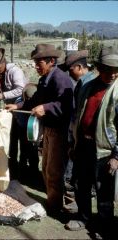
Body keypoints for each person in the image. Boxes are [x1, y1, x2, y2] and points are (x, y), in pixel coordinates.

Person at [6, 43, 73, 216]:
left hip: (59, 131)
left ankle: (56, 207)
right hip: (49, 130)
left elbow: (66, 105)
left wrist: (47, 108)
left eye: (39, 62)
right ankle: (53, 201)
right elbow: (34, 100)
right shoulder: (45, 79)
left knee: (54, 170)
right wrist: (18, 105)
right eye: (35, 62)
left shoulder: (60, 79)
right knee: (46, 168)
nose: (36, 66)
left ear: (51, 61)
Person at [64, 46, 118, 238]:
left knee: (104, 191)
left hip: (105, 150)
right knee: (81, 185)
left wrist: (117, 156)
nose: (112, 74)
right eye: (108, 69)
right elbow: (77, 116)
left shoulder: (117, 92)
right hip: (83, 145)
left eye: (116, 70)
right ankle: (83, 216)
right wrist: (73, 144)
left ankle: (104, 225)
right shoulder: (86, 86)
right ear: (99, 68)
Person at [0, 48, 28, 180]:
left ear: (3, 63)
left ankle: (28, 170)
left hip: (21, 107)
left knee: (25, 140)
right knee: (10, 139)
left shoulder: (15, 71)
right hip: (7, 111)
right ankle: (12, 168)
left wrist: (3, 95)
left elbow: (20, 89)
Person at [63, 50, 96, 212]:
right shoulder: (84, 82)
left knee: (77, 173)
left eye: (71, 70)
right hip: (79, 135)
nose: (69, 74)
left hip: (83, 136)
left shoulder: (86, 83)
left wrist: (73, 138)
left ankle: (77, 203)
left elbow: (79, 114)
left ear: (79, 67)